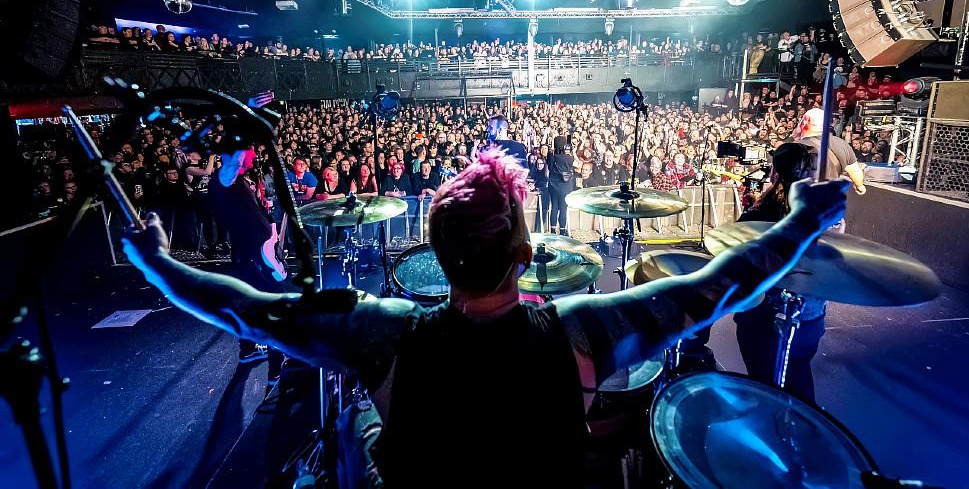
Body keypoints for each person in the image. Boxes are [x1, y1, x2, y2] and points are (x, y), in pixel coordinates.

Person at [122, 145, 849, 488]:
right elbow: (720, 286)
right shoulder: (583, 334)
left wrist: (158, 263)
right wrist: (801, 223)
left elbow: (247, 310)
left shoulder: (386, 335)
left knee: (357, 429)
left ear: (435, 256)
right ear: (527, 252)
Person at [734, 143, 839, 404]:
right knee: (798, 379)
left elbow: (738, 256)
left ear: (775, 174)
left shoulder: (762, 213)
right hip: (811, 316)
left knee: (767, 388)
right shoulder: (825, 210)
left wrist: (749, 213)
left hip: (766, 319)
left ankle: (782, 431)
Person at [207, 148, 286, 369]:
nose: (253, 154)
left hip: (256, 252)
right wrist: (240, 138)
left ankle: (250, 349)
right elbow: (231, 164)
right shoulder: (224, 179)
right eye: (249, 151)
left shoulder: (239, 181)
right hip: (250, 255)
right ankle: (273, 361)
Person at [792, 108, 866, 201]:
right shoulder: (842, 143)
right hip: (829, 198)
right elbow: (855, 171)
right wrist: (859, 185)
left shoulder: (796, 146)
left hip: (801, 199)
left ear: (805, 123)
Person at [547, 135, 576, 236]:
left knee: (554, 207)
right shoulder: (569, 158)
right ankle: (563, 231)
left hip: (554, 186)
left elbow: (549, 168)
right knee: (563, 208)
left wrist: (551, 150)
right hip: (566, 186)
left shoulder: (551, 156)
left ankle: (553, 231)